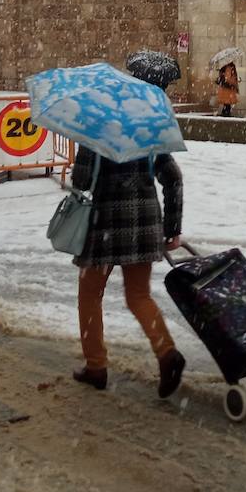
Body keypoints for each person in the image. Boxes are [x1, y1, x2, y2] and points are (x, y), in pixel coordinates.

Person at [69, 143, 185, 397]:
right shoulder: (146, 130)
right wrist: (173, 227)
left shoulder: (95, 131)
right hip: (144, 224)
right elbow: (173, 178)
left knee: (90, 294)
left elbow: (82, 182)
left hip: (104, 226)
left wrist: (84, 160)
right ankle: (167, 353)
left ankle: (96, 367)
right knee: (139, 295)